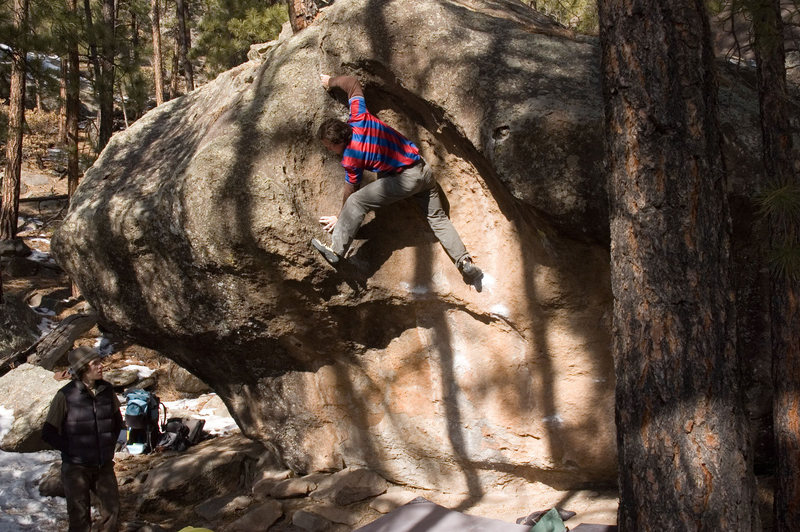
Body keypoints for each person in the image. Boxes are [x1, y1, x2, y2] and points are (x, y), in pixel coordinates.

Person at [312, 74, 482, 282]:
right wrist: (330, 82)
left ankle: (337, 251)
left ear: (339, 142)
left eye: (330, 146)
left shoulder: (351, 158)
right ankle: (465, 263)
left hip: (404, 180)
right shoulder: (359, 117)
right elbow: (352, 84)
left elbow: (351, 191)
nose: (330, 150)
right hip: (423, 171)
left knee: (356, 201)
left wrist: (341, 218)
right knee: (438, 219)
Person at [42, 346, 124, 532]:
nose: (101, 366)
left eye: (100, 362)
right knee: (79, 519)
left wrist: (113, 443)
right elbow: (48, 432)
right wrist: (72, 450)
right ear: (83, 368)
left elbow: (118, 422)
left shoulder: (107, 390)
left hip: (103, 465)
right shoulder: (65, 395)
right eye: (95, 363)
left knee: (112, 512)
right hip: (76, 468)